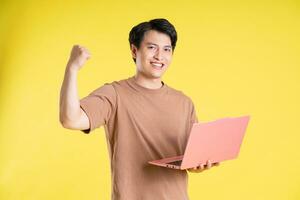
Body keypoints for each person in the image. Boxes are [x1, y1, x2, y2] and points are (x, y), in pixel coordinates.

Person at [59, 18, 220, 200]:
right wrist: (72, 69)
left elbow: (189, 158)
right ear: (134, 50)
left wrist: (199, 164)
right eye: (152, 47)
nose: (160, 56)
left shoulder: (184, 102)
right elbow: (70, 119)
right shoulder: (114, 94)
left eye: (167, 49)